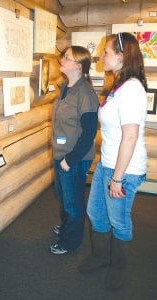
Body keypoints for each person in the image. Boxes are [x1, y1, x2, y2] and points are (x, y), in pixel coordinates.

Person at [80, 33, 147, 289]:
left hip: (124, 170)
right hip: (108, 163)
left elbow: (130, 136)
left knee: (119, 220)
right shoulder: (119, 85)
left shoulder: (131, 89)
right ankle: (100, 257)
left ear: (121, 56)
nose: (101, 56)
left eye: (105, 52)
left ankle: (118, 265)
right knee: (95, 213)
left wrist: (117, 177)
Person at [50, 46, 99, 255]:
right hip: (61, 154)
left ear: (78, 65)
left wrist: (69, 160)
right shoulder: (66, 87)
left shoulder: (85, 93)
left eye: (67, 57)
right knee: (63, 196)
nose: (62, 59)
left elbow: (89, 133)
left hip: (73, 158)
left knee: (73, 202)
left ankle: (70, 241)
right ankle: (68, 225)